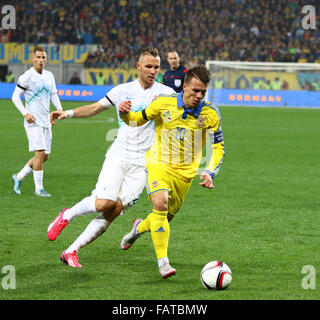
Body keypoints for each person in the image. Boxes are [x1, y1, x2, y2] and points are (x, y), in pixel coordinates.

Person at [47, 47, 175, 268]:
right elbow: (96, 108)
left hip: (144, 165)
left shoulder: (166, 94)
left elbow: (179, 116)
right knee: (104, 202)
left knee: (115, 209)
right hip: (119, 155)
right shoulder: (123, 91)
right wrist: (67, 113)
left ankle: (71, 251)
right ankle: (66, 215)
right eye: (148, 66)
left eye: (156, 67)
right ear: (138, 66)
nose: (152, 71)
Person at [119, 65, 225, 279]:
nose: (199, 95)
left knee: (162, 218)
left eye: (203, 92)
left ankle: (139, 228)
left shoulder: (210, 113)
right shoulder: (162, 103)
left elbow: (219, 147)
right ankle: (163, 263)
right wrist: (124, 114)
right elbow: (136, 120)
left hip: (185, 176)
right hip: (159, 165)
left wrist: (210, 172)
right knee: (160, 204)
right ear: (184, 86)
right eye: (195, 90)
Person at [11, 46, 63, 197]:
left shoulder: (49, 76)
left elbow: (54, 94)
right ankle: (39, 189)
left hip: (46, 120)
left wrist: (59, 110)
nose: (41, 60)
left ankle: (18, 177)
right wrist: (25, 113)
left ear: (46, 60)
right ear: (33, 59)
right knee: (39, 153)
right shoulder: (27, 76)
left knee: (44, 156)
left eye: (43, 58)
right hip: (33, 121)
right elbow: (15, 97)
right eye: (38, 57)